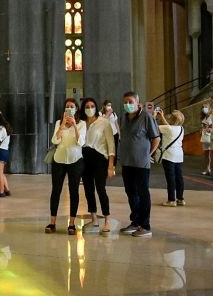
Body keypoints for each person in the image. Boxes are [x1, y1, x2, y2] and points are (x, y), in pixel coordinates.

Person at [118, 91, 161, 238]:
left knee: (143, 193)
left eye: (130, 102)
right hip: (127, 162)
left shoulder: (146, 117)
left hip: (141, 163)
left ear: (138, 103)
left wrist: (149, 154)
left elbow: (156, 138)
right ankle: (135, 222)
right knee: (131, 193)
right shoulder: (123, 118)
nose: (127, 105)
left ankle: (145, 225)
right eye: (125, 102)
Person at [45, 98, 86, 235]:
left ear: (76, 109)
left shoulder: (82, 124)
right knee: (56, 190)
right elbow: (55, 140)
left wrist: (74, 126)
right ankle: (52, 222)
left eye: (72, 106)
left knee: (74, 191)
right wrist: (62, 125)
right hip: (59, 159)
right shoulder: (58, 123)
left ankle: (72, 223)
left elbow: (80, 142)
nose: (69, 108)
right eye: (67, 106)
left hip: (75, 160)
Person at [80, 98, 116, 234]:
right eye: (87, 106)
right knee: (88, 189)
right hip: (85, 158)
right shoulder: (82, 123)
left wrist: (111, 165)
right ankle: (94, 218)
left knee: (101, 189)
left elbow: (111, 144)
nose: (90, 108)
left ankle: (107, 220)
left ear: (96, 107)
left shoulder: (104, 122)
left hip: (100, 158)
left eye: (92, 106)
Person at [156, 109, 186, 207]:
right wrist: (162, 117)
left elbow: (153, 127)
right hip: (179, 155)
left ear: (172, 119)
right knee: (179, 177)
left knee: (170, 178)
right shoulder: (181, 128)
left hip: (169, 155)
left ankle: (171, 200)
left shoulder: (168, 129)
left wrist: (153, 116)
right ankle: (180, 199)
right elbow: (168, 127)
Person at [200, 104, 213, 176]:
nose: (204, 108)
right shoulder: (204, 117)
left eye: (206, 107)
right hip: (204, 137)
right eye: (203, 107)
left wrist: (208, 127)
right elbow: (203, 126)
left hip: (210, 136)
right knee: (206, 154)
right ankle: (207, 169)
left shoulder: (212, 116)